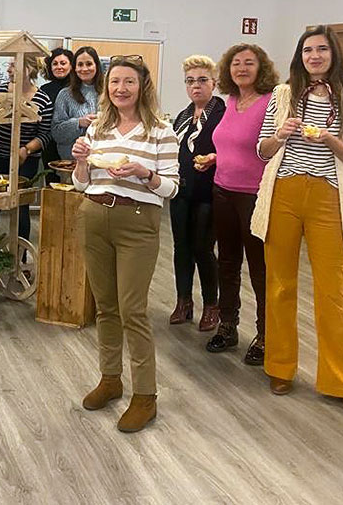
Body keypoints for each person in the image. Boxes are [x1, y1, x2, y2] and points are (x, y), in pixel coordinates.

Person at [254, 26, 343, 414]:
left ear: (334, 54)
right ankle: (280, 367)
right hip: (284, 193)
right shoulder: (283, 95)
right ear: (300, 56)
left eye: (322, 49)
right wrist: (280, 134)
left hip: (329, 198)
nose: (315, 56)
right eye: (308, 50)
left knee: (334, 290)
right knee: (279, 284)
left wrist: (329, 139)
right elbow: (262, 150)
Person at [72, 55, 179, 433]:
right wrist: (80, 162)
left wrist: (144, 172)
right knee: (105, 307)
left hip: (137, 221)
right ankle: (110, 379)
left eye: (129, 82)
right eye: (115, 82)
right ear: (107, 87)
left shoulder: (161, 131)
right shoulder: (97, 127)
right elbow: (81, 183)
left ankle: (145, 396)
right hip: (93, 215)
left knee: (132, 309)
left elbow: (171, 188)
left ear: (142, 86)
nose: (121, 88)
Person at [205, 44, 279, 365]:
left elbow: (272, 147)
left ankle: (265, 336)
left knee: (260, 269)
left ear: (261, 68)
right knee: (227, 263)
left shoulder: (270, 102)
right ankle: (228, 326)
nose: (242, 68)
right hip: (222, 189)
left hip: (255, 196)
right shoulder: (231, 100)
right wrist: (215, 157)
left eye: (249, 63)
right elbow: (232, 145)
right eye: (236, 63)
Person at [169, 55, 225, 331]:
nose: (196, 86)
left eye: (202, 80)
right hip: (181, 190)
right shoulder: (182, 116)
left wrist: (215, 157)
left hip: (208, 191)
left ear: (214, 83)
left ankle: (212, 305)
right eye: (190, 81)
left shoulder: (222, 114)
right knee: (181, 247)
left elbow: (232, 149)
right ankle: (184, 301)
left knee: (203, 248)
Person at [0, 53, 51, 241]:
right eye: (8, 65)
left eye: (13, 65)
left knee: (21, 207)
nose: (8, 70)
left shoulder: (43, 100)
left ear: (28, 69)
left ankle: (20, 254)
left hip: (26, 162)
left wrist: (26, 149)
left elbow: (45, 135)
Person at [52, 46, 103, 159]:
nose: (84, 69)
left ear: (96, 66)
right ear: (74, 68)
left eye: (89, 64)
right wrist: (78, 123)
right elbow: (56, 134)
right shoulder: (65, 95)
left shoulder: (109, 93)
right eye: (80, 64)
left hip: (103, 161)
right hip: (72, 163)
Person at [39, 47, 75, 181]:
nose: (59, 67)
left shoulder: (77, 88)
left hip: (72, 144)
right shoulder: (44, 90)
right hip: (49, 144)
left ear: (71, 66)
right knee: (51, 181)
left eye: (63, 63)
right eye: (55, 64)